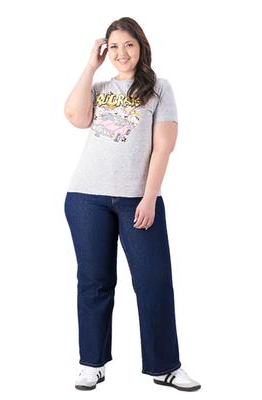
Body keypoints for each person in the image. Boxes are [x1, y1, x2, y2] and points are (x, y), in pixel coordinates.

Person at [64, 17, 201, 392]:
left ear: (141, 47)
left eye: (129, 44)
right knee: (94, 282)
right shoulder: (99, 87)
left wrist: (149, 197)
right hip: (86, 197)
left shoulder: (159, 88)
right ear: (105, 50)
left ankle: (165, 367)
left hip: (137, 200)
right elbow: (76, 117)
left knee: (154, 282)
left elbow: (164, 147)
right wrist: (90, 66)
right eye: (114, 46)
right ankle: (91, 363)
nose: (121, 52)